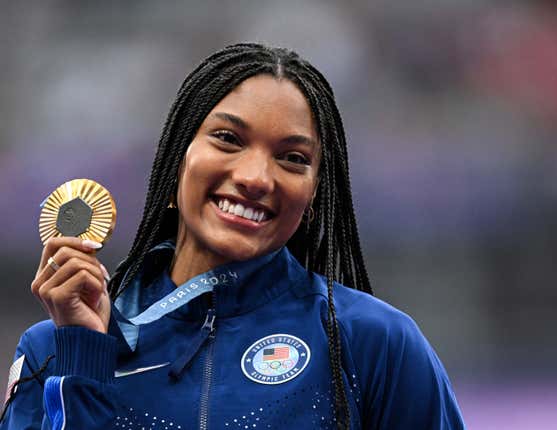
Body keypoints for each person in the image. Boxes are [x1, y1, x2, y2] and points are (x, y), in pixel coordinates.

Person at [1, 43, 465, 430]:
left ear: (314, 194)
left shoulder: (373, 342)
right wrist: (84, 356)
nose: (257, 177)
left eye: (293, 158)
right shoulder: (52, 352)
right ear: (177, 156)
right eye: (227, 138)